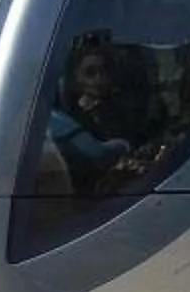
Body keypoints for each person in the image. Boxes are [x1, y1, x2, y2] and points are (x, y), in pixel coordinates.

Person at [48, 35, 137, 193]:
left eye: (103, 71)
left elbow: (129, 142)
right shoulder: (64, 117)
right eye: (90, 73)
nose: (99, 79)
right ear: (76, 78)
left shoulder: (124, 107)